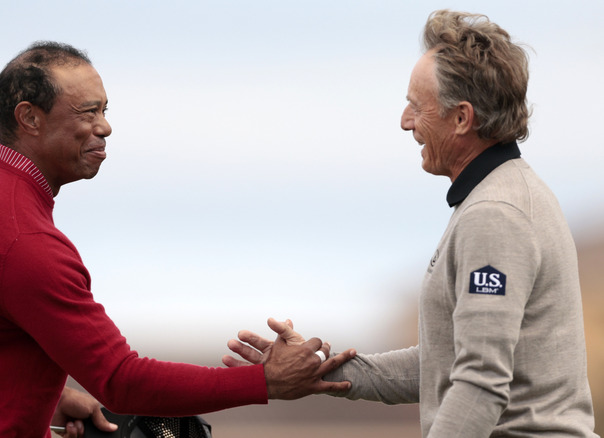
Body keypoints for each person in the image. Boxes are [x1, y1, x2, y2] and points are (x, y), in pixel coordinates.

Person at [0, 41, 355, 438]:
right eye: (88, 112)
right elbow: (121, 381)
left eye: (105, 110)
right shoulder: (26, 241)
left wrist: (49, 394)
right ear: (29, 118)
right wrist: (265, 381)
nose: (105, 127)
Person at [224, 10, 598, 437]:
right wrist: (320, 371)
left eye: (416, 108)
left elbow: (481, 385)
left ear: (461, 118)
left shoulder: (495, 216)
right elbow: (445, 362)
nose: (405, 121)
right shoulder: (500, 195)